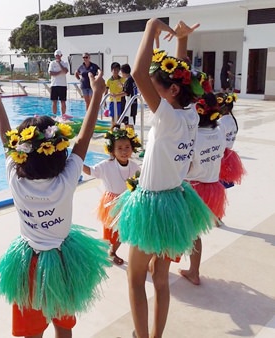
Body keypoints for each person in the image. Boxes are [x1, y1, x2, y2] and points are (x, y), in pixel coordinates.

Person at [0, 70, 111, 338]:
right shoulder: (66, 180)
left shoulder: (15, 179)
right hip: (63, 262)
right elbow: (84, 139)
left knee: (32, 330)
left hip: (28, 263)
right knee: (63, 326)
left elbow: (6, 139)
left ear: (20, 155)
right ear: (58, 153)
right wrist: (97, 93)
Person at [109, 19, 215, 338]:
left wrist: (151, 26)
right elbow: (181, 79)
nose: (148, 93)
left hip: (153, 206)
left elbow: (139, 74)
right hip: (176, 203)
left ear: (171, 91)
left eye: (156, 90)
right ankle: (155, 336)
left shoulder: (168, 117)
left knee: (136, 277)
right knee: (159, 277)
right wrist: (180, 42)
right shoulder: (191, 112)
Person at [179, 92, 227, 286]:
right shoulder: (219, 131)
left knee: (174, 229)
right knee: (194, 232)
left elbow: (186, 166)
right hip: (212, 188)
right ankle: (193, 271)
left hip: (192, 190)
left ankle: (159, 265)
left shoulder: (193, 137)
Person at [83, 124, 141, 265]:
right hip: (111, 202)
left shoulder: (134, 166)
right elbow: (90, 171)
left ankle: (113, 251)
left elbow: (139, 183)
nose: (124, 151)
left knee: (123, 230)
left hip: (127, 202)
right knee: (109, 231)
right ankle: (107, 250)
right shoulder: (106, 165)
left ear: (132, 147)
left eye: (127, 147)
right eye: (119, 148)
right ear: (112, 151)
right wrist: (77, 162)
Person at [216, 92, 245, 187]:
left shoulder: (221, 122)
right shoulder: (232, 120)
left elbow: (218, 140)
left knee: (217, 182)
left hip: (220, 156)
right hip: (228, 155)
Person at [48, 49, 70, 119]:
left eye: (59, 55)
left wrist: (59, 64)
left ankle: (63, 115)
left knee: (63, 101)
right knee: (54, 101)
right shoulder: (52, 63)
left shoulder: (64, 63)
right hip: (54, 85)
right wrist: (60, 72)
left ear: (61, 56)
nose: (57, 57)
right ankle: (54, 116)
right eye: (56, 55)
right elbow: (51, 73)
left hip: (62, 85)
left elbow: (65, 71)